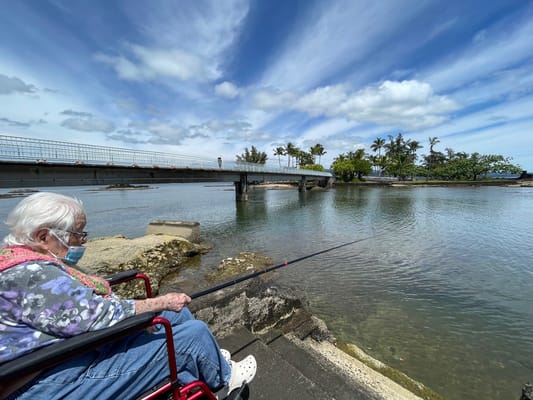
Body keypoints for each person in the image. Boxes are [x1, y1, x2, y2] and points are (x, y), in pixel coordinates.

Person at [0, 192, 256, 399]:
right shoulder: (31, 274)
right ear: (44, 237)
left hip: (64, 355)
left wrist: (160, 306)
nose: (82, 242)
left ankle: (206, 362)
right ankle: (225, 378)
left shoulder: (23, 261)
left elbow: (78, 312)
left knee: (175, 315)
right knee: (192, 335)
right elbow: (93, 318)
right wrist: (160, 301)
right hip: (45, 382)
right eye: (78, 235)